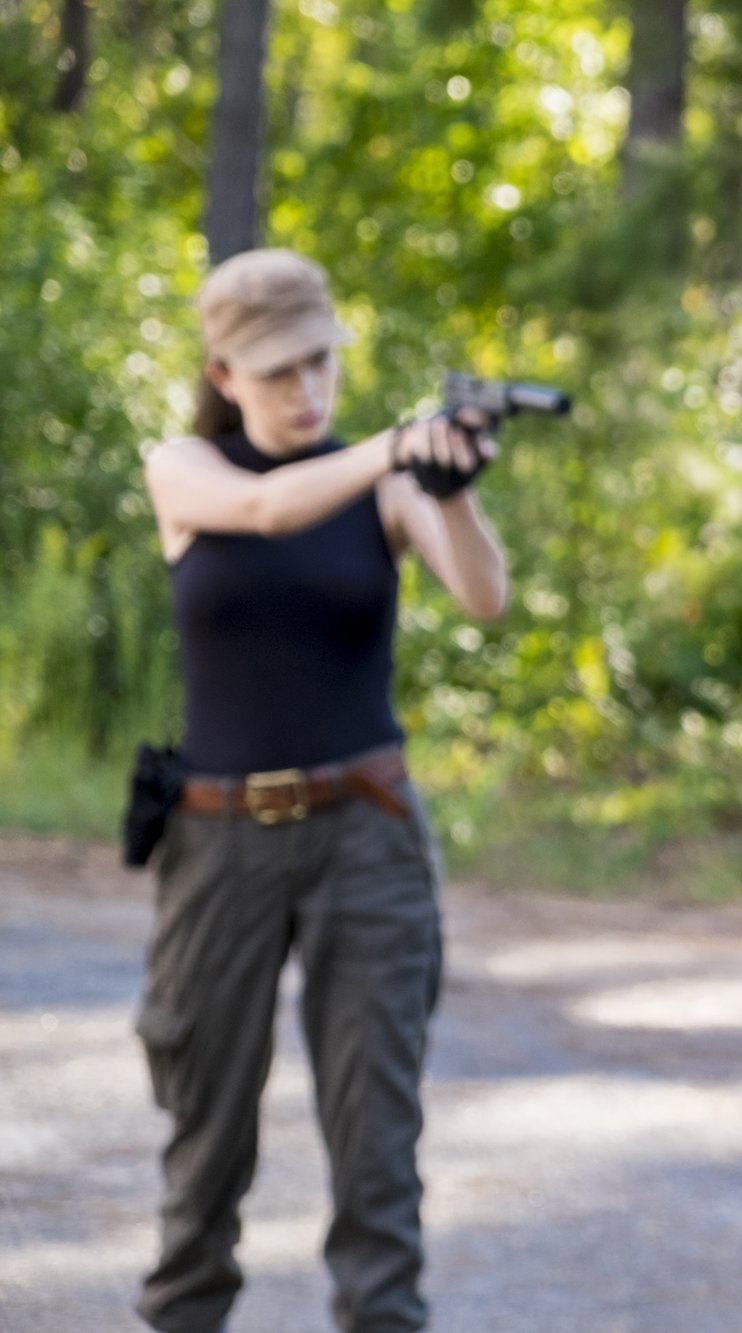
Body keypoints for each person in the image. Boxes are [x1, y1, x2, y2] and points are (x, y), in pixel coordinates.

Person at [135, 247, 507, 1333]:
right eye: (279, 371)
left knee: (375, 1131)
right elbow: (264, 510)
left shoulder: (384, 484)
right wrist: (394, 443)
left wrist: (450, 492)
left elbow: (483, 595)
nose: (307, 390)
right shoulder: (187, 470)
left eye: (321, 363)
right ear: (224, 373)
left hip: (367, 833)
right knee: (204, 1127)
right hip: (217, 840)